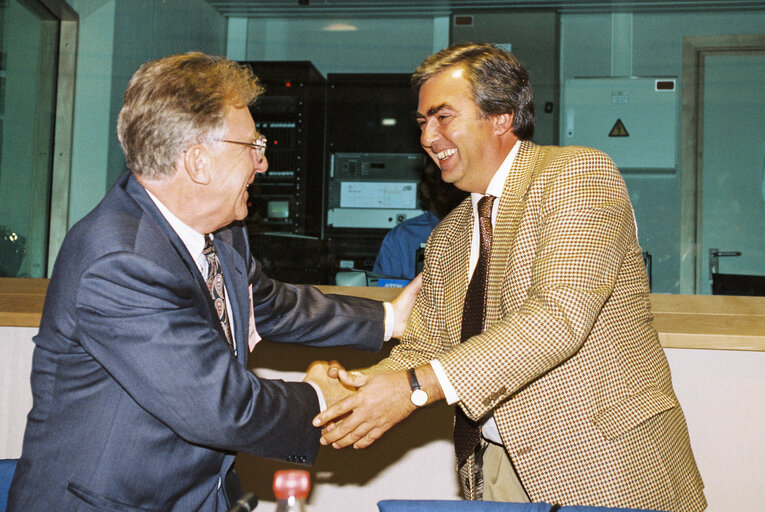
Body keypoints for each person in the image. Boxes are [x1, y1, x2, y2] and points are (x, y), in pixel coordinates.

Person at [7, 52, 419, 512]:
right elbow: (225, 408)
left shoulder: (222, 231)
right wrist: (325, 396)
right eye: (253, 146)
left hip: (199, 495)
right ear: (199, 162)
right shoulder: (120, 261)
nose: (262, 165)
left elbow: (272, 304)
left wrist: (389, 318)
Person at [314, 42, 706, 511]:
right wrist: (344, 392)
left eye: (443, 117)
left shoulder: (576, 174)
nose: (427, 137)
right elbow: (426, 346)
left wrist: (414, 388)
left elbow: (557, 317)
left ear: (501, 117)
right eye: (422, 123)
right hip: (497, 464)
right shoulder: (451, 234)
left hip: (606, 465)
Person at [373, 161, 468, 280]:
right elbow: (386, 291)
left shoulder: (480, 229)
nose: (448, 189)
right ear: (425, 188)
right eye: (439, 181)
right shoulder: (402, 237)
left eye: (452, 182)